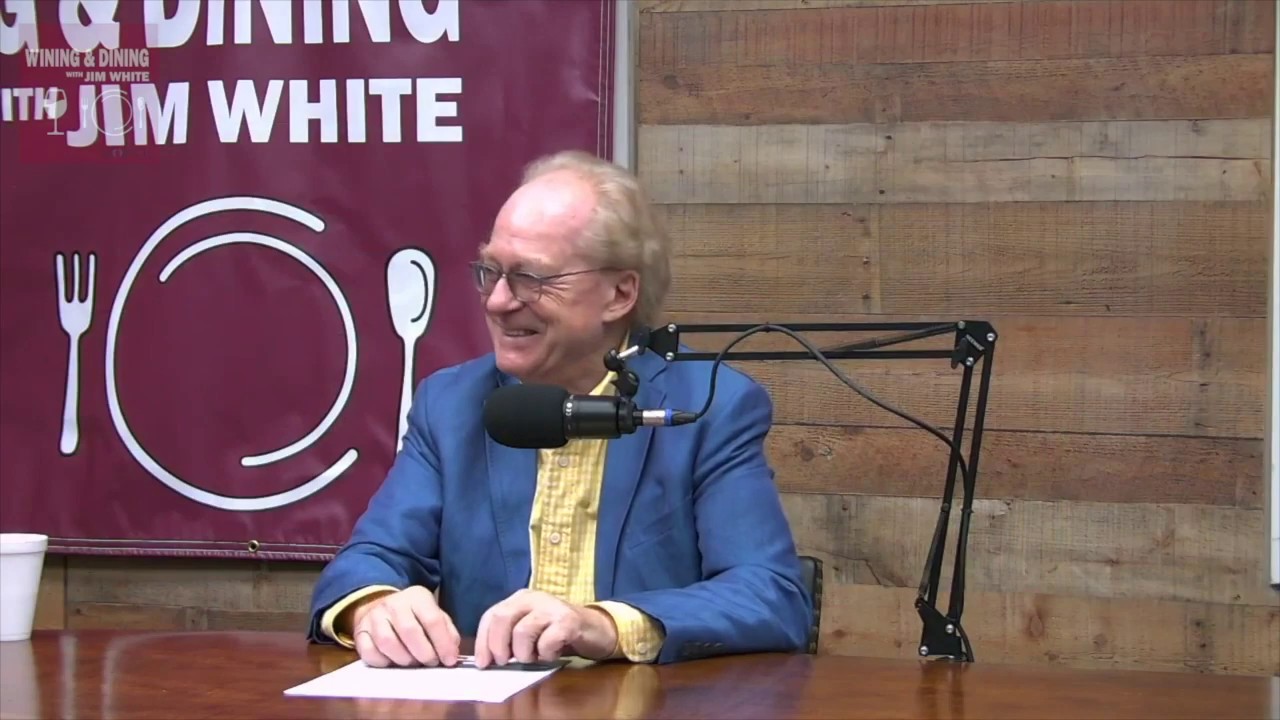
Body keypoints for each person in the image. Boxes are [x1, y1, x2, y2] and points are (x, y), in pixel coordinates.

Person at [307, 150, 812, 667]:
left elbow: (769, 596)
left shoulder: (708, 407)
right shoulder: (451, 404)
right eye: (490, 272)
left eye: (531, 278)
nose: (497, 301)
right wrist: (374, 606)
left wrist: (603, 625)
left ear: (619, 294)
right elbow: (368, 560)